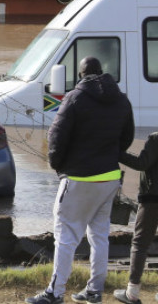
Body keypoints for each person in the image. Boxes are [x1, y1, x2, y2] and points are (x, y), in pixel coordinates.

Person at [26, 56, 135, 304]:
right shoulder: (121, 100)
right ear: (102, 72)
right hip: (109, 177)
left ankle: (55, 293)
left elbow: (56, 137)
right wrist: (107, 154)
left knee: (65, 235)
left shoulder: (75, 98)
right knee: (99, 235)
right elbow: (126, 139)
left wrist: (58, 166)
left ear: (80, 75)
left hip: (78, 177)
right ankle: (95, 290)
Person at [114, 131, 158, 304]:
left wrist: (117, 153)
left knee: (140, 244)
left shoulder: (155, 138)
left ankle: (132, 292)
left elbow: (142, 163)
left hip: (152, 199)